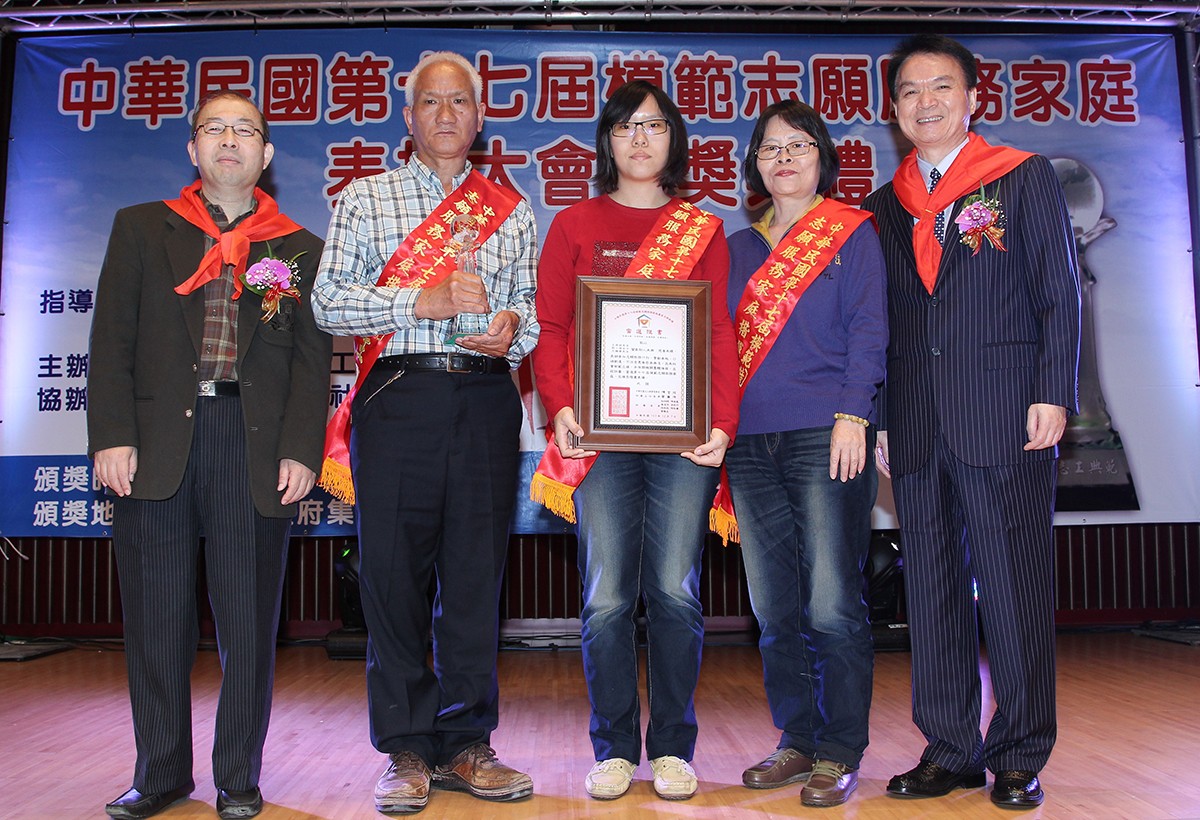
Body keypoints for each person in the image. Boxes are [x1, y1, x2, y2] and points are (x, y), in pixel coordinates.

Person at [87, 91, 332, 820]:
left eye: (244, 130)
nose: (229, 140)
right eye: (214, 128)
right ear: (192, 148)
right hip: (155, 442)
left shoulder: (297, 248)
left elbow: (310, 364)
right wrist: (112, 434)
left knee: (248, 624)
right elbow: (111, 341)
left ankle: (237, 776)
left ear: (266, 154)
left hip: (251, 447)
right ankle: (160, 773)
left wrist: (301, 449)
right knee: (156, 619)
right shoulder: (142, 228)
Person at [311, 51, 538, 814]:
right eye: (431, 102)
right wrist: (420, 300)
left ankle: (468, 742)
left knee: (475, 577)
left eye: (459, 102)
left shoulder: (512, 210)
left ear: (480, 117)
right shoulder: (365, 198)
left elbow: (532, 316)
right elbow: (327, 303)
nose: (446, 114)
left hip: (485, 398)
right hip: (399, 396)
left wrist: (511, 330)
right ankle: (406, 748)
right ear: (408, 117)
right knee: (393, 576)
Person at [862, 34, 1081, 809]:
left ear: (973, 99)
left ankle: (1019, 752)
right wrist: (881, 417)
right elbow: (881, 322)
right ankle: (951, 749)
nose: (925, 102)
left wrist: (1054, 390)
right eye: (910, 91)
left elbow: (1059, 291)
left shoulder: (1022, 177)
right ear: (894, 110)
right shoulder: (883, 205)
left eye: (941, 87)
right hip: (917, 424)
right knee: (931, 593)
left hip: (1006, 414)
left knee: (1015, 590)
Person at [529, 79, 739, 802]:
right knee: (608, 599)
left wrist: (722, 422)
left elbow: (718, 331)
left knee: (675, 594)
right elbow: (551, 326)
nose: (640, 139)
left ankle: (674, 747)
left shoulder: (701, 229)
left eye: (653, 126)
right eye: (625, 127)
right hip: (601, 438)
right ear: (607, 142)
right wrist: (560, 405)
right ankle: (614, 748)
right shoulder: (574, 224)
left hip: (683, 438)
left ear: (673, 139)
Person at [725, 100, 887, 808]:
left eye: (798, 145)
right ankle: (796, 739)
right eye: (770, 147)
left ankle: (840, 749)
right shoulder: (737, 247)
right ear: (755, 165)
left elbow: (869, 329)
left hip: (827, 434)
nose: (784, 158)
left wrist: (855, 414)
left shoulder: (853, 232)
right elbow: (711, 343)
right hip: (749, 443)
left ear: (822, 156)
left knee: (831, 603)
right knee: (774, 606)